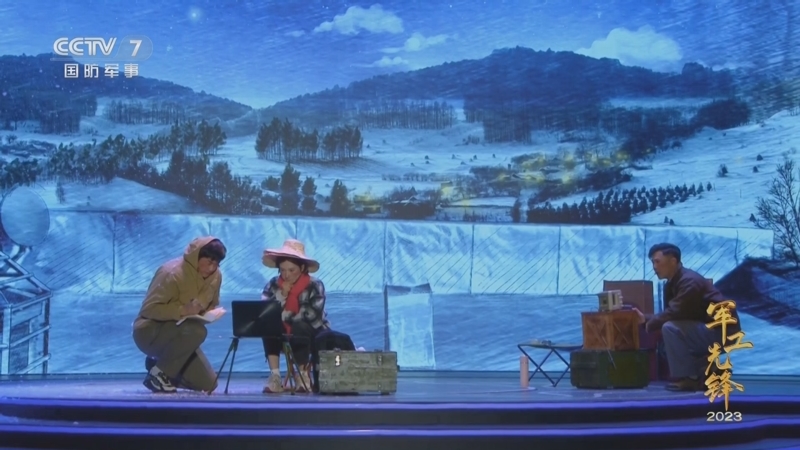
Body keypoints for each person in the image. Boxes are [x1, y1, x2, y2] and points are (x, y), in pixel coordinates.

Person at [634, 243, 742, 392]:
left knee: (670, 329)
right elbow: (674, 313)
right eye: (653, 262)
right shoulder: (673, 283)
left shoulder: (689, 281)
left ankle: (690, 378)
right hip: (707, 328)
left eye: (657, 262)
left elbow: (675, 312)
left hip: (722, 332)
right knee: (667, 340)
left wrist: (649, 324)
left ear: (673, 261)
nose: (654, 267)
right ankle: (712, 371)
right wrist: (645, 319)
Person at [132, 236, 226, 394]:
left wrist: (209, 313)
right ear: (197, 256)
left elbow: (212, 302)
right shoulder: (171, 272)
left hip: (182, 334)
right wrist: (182, 310)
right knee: (197, 331)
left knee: (209, 384)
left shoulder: (216, 276)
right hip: (149, 331)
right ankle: (158, 375)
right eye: (209, 262)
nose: (212, 268)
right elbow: (148, 310)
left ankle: (159, 364)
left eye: (216, 263)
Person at [260, 238, 330, 394]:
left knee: (300, 326)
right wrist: (281, 295)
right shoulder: (273, 284)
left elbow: (311, 316)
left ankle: (302, 375)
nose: (286, 275)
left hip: (311, 333)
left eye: (291, 270)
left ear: (302, 267)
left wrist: (283, 316)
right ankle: (275, 376)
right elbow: (264, 312)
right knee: (269, 326)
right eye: (283, 270)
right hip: (283, 333)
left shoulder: (315, 285)